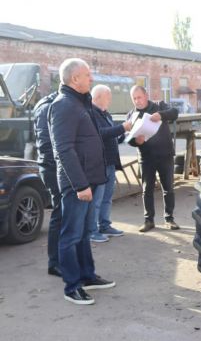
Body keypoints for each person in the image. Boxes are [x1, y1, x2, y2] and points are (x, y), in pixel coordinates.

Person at [49, 58, 115, 305]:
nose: (92, 78)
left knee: (84, 233)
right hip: (77, 185)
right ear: (74, 79)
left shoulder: (80, 103)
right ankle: (72, 286)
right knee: (71, 235)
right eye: (88, 74)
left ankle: (87, 275)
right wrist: (80, 185)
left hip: (89, 180)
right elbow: (63, 149)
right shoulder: (64, 105)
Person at [126, 85, 179, 232]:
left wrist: (161, 115)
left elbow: (174, 112)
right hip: (146, 157)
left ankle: (169, 219)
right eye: (134, 98)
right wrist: (136, 142)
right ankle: (149, 221)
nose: (137, 101)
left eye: (139, 97)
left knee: (168, 188)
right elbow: (128, 139)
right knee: (147, 190)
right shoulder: (131, 115)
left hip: (165, 155)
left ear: (146, 95)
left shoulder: (159, 106)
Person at [89, 85, 132, 242]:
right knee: (97, 199)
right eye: (108, 97)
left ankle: (105, 225)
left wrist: (124, 134)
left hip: (110, 163)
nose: (111, 100)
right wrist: (122, 128)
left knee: (107, 197)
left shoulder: (105, 113)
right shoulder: (91, 113)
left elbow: (111, 135)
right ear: (99, 97)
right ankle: (92, 231)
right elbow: (99, 134)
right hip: (99, 163)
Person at [33, 91, 61, 277]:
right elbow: (46, 144)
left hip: (58, 167)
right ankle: (55, 263)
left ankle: (60, 259)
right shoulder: (48, 106)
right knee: (60, 214)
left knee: (64, 214)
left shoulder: (55, 103)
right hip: (53, 168)